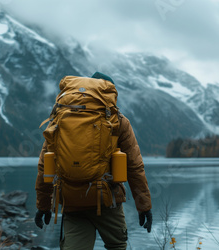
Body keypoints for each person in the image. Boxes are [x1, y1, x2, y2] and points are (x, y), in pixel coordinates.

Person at [34, 72, 152, 250]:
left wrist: (43, 206)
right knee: (117, 245)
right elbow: (134, 167)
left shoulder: (61, 118)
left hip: (72, 201)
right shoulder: (118, 121)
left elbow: (45, 165)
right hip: (107, 201)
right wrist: (144, 207)